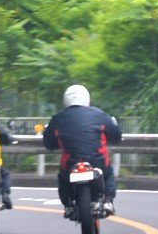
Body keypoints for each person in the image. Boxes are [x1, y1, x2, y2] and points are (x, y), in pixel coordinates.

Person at [42, 84, 123, 218]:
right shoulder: (100, 115)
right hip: (98, 161)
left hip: (70, 163)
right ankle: (108, 201)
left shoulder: (57, 118)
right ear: (86, 98)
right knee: (108, 174)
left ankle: (68, 205)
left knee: (63, 178)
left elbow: (49, 143)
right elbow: (116, 136)